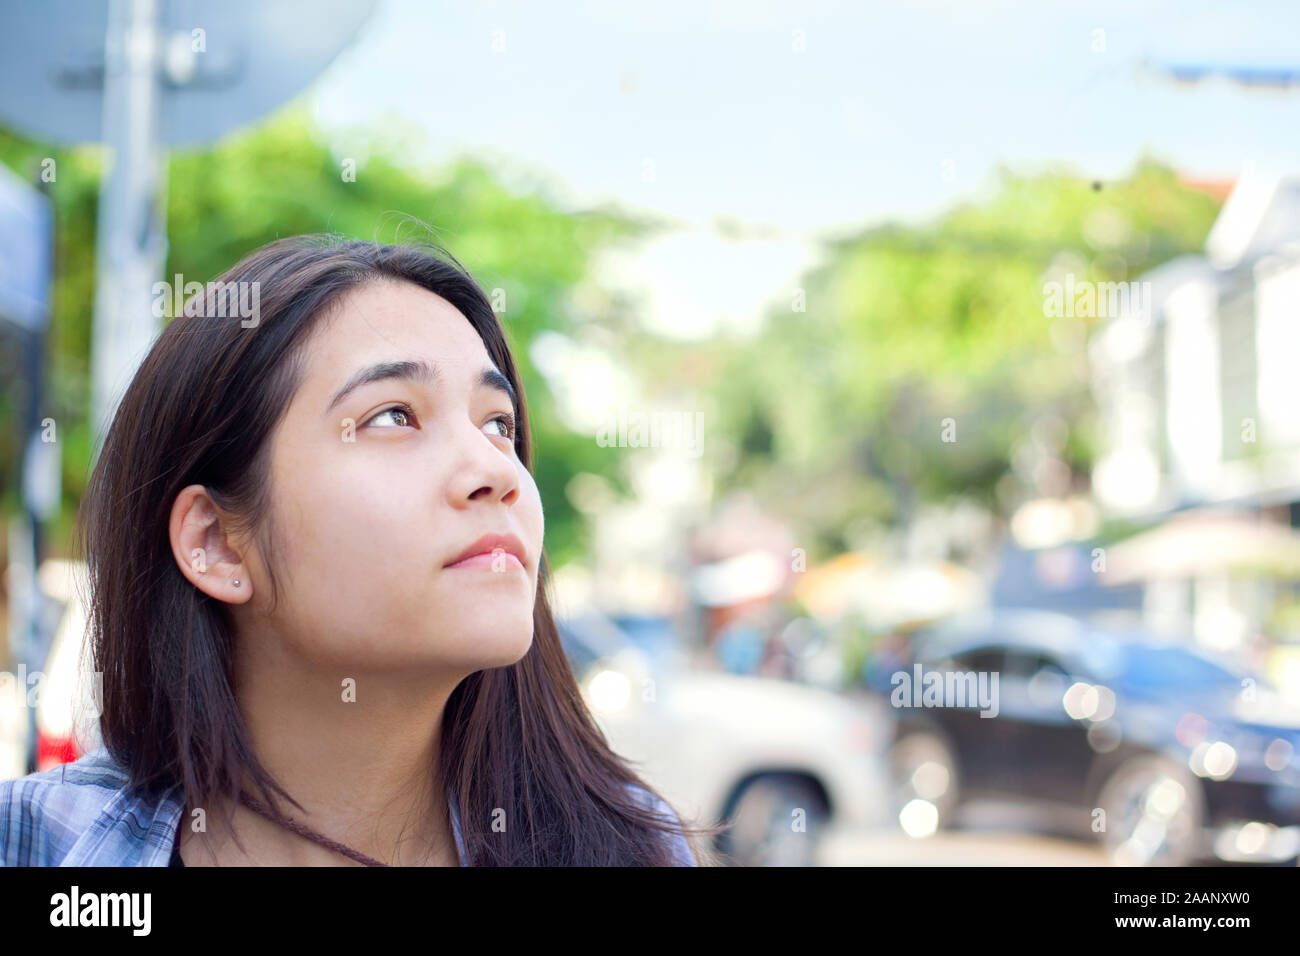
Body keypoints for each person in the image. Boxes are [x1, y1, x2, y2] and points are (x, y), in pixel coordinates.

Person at [0, 235, 717, 866]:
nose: (497, 471)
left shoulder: (637, 850)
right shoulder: (36, 843)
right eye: (393, 415)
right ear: (217, 542)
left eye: (498, 423)